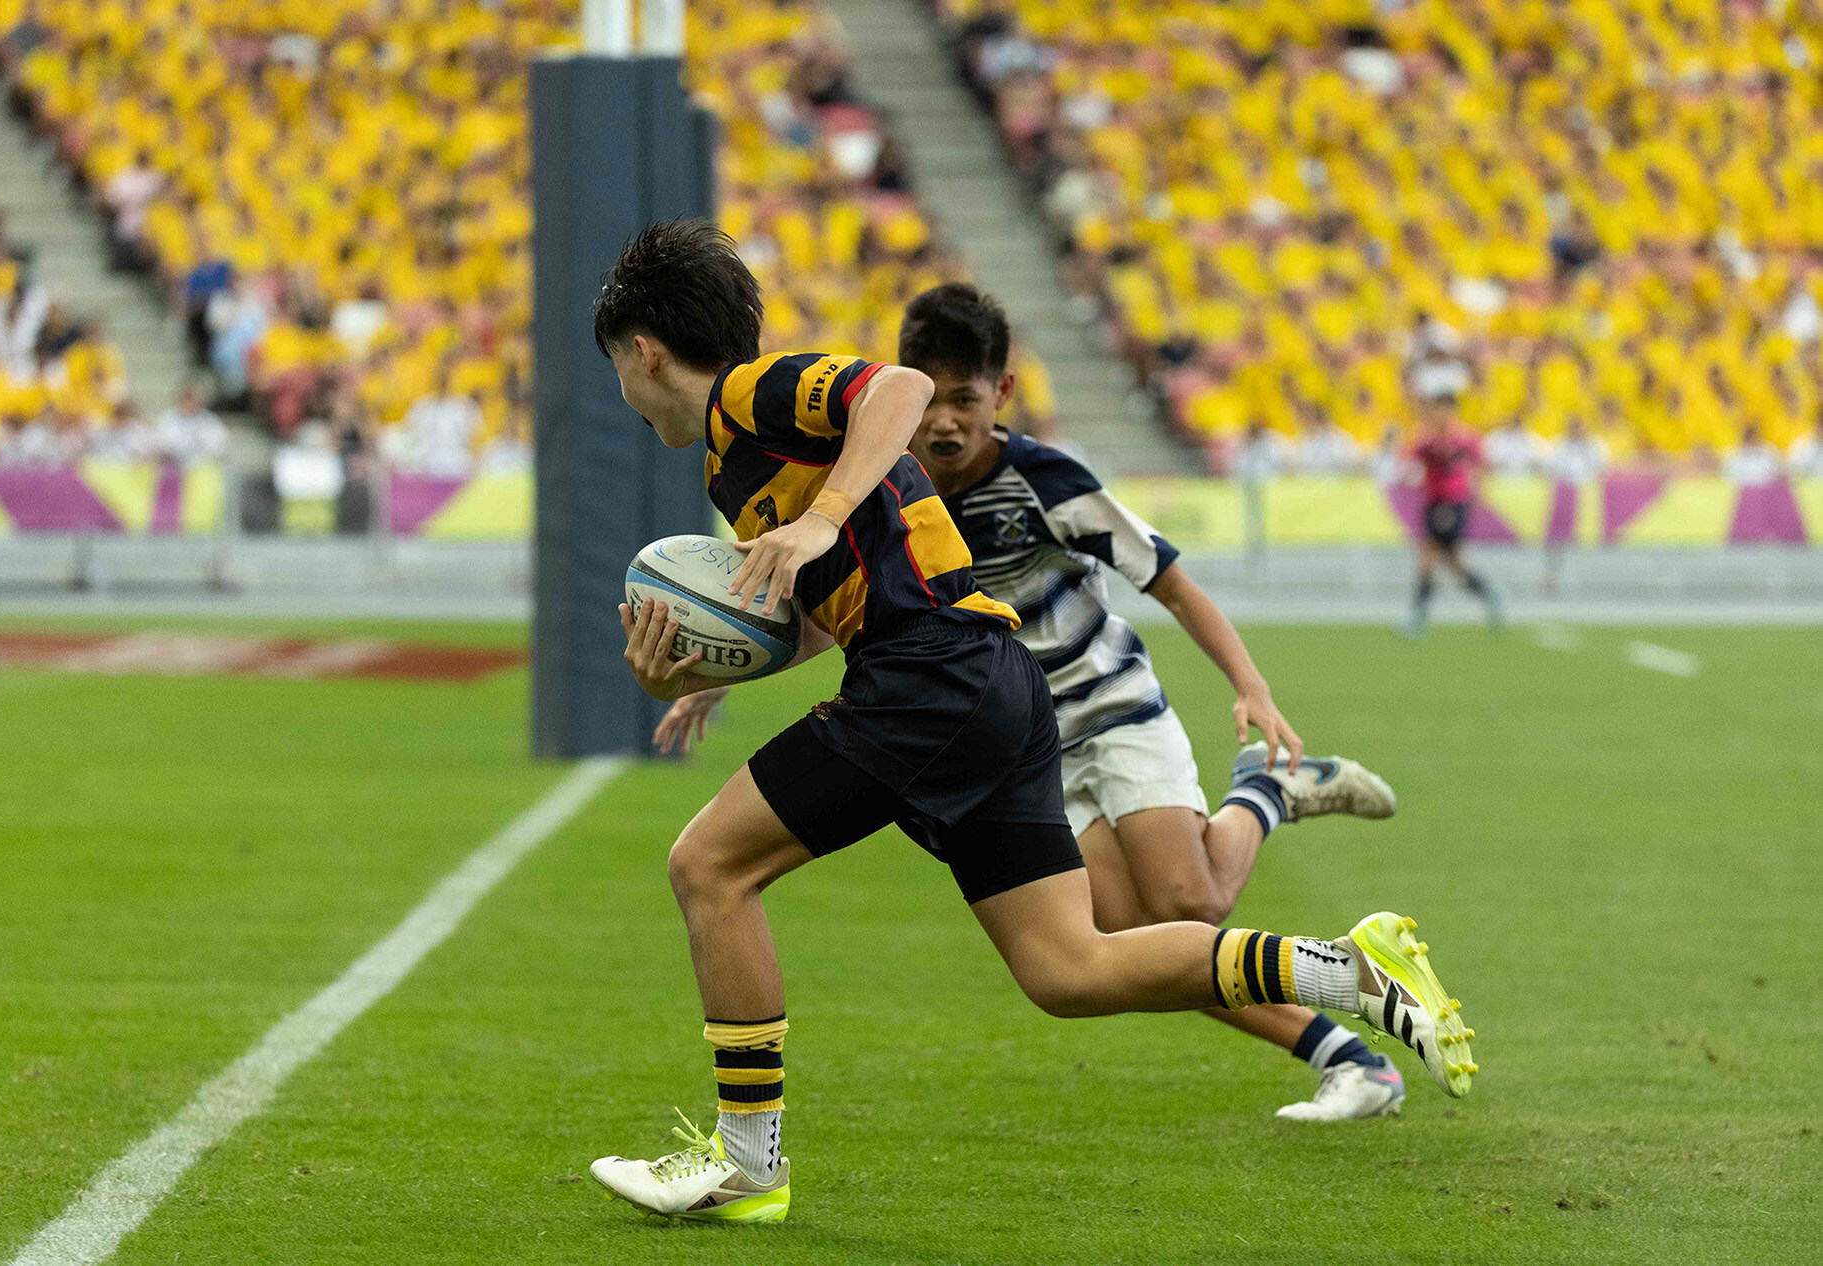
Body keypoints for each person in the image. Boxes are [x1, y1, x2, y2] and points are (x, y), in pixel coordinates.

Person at [584, 220, 1477, 1224]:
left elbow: (898, 389)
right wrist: (691, 674)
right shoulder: (732, 464)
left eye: (619, 367)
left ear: (643, 352)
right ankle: (1349, 970)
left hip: (928, 680)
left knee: (709, 868)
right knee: (1068, 969)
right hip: (986, 681)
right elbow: (837, 606)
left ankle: (750, 1164)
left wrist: (822, 518)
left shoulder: (751, 397)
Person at [1404, 391, 1503, 636]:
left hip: (1454, 501)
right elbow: (1409, 463)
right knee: (1453, 563)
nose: (1440, 414)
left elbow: (1481, 463)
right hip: (1433, 500)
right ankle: (1489, 594)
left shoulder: (1465, 437)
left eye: (1444, 408)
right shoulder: (1424, 437)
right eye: (1436, 408)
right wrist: (1409, 478)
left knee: (1429, 556)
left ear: (1452, 410)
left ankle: (1417, 617)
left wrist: (1479, 490)